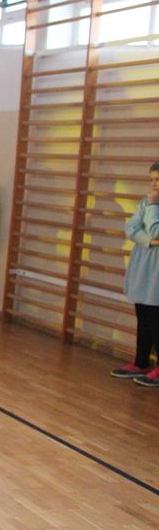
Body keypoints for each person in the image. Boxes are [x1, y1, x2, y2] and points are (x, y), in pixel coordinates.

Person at [112, 161, 159, 386]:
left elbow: (156, 229)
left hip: (156, 269)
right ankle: (141, 362)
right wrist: (149, 241)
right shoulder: (146, 201)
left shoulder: (151, 203)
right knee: (143, 313)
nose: (154, 184)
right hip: (144, 263)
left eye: (158, 180)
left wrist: (153, 207)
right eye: (152, 180)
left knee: (156, 317)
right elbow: (131, 228)